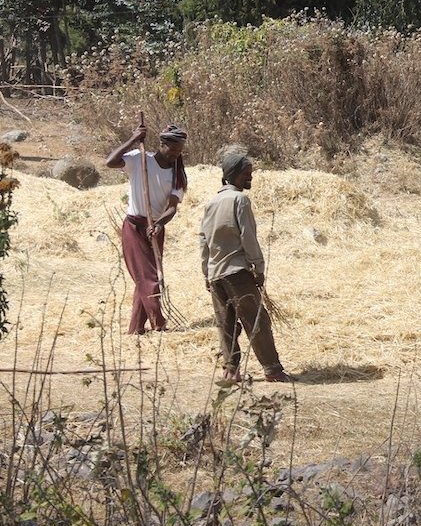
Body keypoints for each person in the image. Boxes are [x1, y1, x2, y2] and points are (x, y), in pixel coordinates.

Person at [199, 146, 295, 383]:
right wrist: (258, 268)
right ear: (232, 174)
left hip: (215, 275)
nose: (250, 177)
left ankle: (231, 371)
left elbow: (204, 241)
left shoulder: (212, 203)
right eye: (246, 173)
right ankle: (273, 370)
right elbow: (248, 237)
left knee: (226, 324)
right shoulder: (240, 200)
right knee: (257, 321)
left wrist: (206, 274)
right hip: (237, 272)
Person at [105, 122, 188, 334]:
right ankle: (159, 323)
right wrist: (133, 139)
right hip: (134, 226)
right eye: (172, 150)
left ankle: (135, 329)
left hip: (155, 229)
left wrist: (159, 224)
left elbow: (172, 208)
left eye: (179, 152)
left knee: (145, 278)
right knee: (149, 278)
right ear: (162, 144)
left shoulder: (178, 175)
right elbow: (110, 162)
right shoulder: (140, 159)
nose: (175, 155)